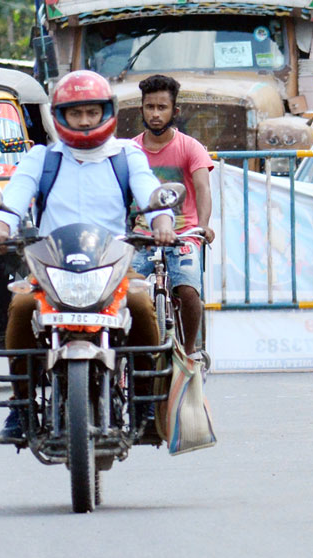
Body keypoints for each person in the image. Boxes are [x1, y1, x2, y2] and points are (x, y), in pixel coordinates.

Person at [0, 70, 176, 444]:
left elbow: (151, 193)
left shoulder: (127, 155)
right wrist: (0, 226)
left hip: (112, 269)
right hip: (51, 270)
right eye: (76, 113)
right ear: (61, 116)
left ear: (107, 112)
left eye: (92, 111)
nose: (85, 121)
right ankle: (20, 406)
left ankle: (146, 403)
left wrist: (163, 222)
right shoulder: (41, 158)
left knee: (140, 304)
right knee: (22, 307)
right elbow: (15, 196)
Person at [131, 74, 214, 358]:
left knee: (189, 291)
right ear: (141, 109)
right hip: (141, 236)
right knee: (125, 293)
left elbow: (203, 189)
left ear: (174, 111)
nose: (155, 114)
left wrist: (202, 228)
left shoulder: (190, 147)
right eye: (150, 107)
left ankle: (190, 353)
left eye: (162, 107)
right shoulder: (130, 151)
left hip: (184, 236)